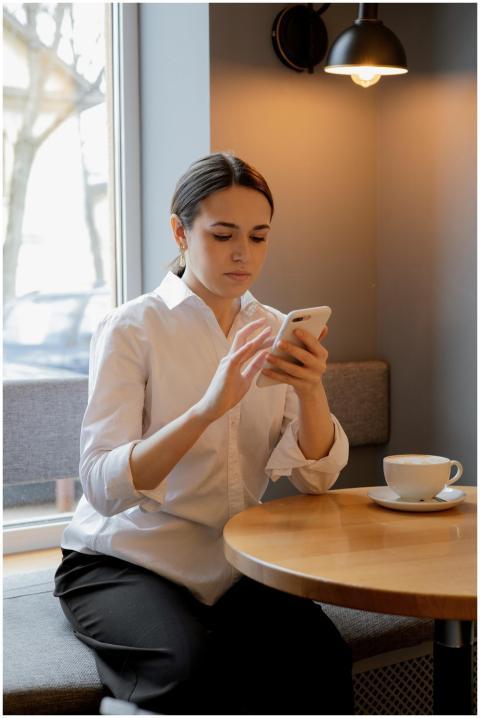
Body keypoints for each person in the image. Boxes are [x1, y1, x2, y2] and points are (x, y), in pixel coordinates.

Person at [53, 151, 354, 715]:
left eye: (259, 237)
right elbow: (101, 486)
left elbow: (316, 478)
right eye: (222, 235)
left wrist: (313, 391)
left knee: (322, 658)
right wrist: (207, 409)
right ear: (179, 231)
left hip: (235, 560)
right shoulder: (131, 328)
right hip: (123, 560)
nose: (244, 254)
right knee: (185, 669)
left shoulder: (272, 329)